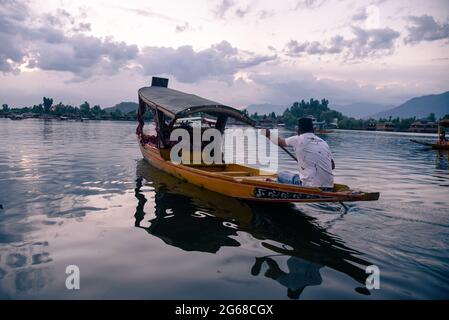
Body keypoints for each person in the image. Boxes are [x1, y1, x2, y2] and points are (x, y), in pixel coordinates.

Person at [264, 117, 335, 190]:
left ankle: (277, 184)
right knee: (298, 175)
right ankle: (278, 182)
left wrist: (268, 134)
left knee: (281, 175)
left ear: (298, 130)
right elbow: (332, 166)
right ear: (313, 129)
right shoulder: (324, 143)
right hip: (329, 186)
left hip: (311, 186)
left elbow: (279, 141)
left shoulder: (298, 139)